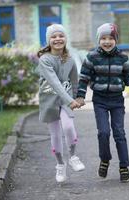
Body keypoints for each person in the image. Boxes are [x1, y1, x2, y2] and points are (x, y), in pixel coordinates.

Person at [76, 23, 129, 182]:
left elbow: (128, 78)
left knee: (119, 133)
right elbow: (83, 79)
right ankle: (105, 159)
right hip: (99, 100)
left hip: (116, 100)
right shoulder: (92, 57)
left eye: (111, 38)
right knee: (103, 132)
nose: (107, 41)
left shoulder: (122, 57)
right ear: (98, 40)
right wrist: (80, 96)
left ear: (116, 40)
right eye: (103, 38)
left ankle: (124, 166)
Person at [37, 24, 85, 183]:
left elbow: (74, 80)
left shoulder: (70, 59)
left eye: (61, 36)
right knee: (56, 134)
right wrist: (70, 100)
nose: (58, 39)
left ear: (65, 38)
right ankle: (60, 164)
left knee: (69, 127)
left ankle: (73, 157)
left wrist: (78, 97)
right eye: (53, 36)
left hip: (67, 100)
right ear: (48, 40)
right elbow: (55, 83)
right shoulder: (45, 60)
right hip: (49, 100)